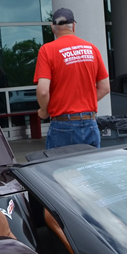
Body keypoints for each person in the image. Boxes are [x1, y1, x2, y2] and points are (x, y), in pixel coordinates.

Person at [33, 8, 110, 149]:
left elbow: (43, 91)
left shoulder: (47, 50)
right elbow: (105, 88)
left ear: (52, 28)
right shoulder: (92, 49)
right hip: (90, 122)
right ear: (74, 26)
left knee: (60, 164)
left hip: (62, 124)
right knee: (91, 163)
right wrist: (83, 101)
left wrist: (44, 110)